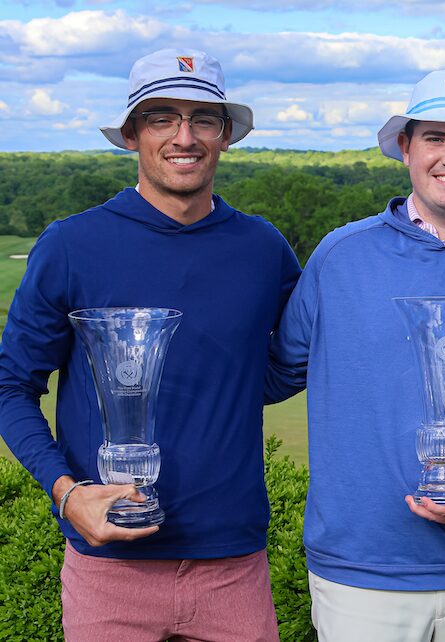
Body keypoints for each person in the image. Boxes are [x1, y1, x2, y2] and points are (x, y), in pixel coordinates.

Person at [0, 48, 300, 640]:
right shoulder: (71, 245)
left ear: (226, 135)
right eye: (162, 117)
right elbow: (11, 385)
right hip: (108, 571)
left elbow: (291, 359)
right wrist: (68, 495)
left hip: (233, 566)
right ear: (133, 133)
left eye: (203, 119)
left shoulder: (264, 251)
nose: (183, 136)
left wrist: (233, 392)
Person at [266, 69, 445, 641]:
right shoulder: (339, 256)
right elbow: (273, 376)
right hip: (359, 578)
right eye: (434, 138)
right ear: (405, 147)